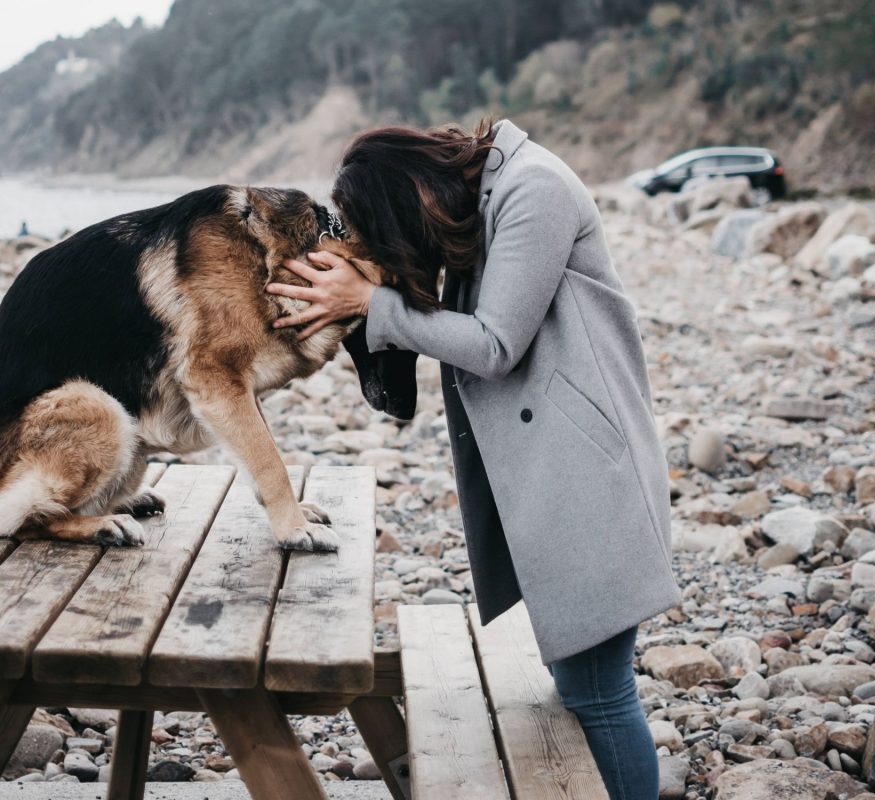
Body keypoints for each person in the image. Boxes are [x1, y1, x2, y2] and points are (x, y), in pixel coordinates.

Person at [266, 118, 681, 800]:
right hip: (557, 468)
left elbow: (495, 344)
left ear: (415, 191)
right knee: (583, 688)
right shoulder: (486, 196)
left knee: (603, 696)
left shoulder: (532, 190)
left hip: (588, 475)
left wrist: (372, 302)